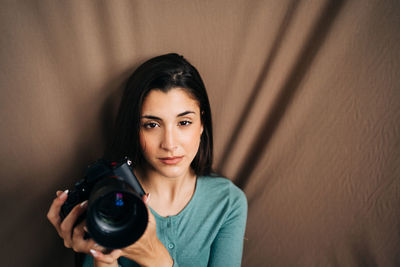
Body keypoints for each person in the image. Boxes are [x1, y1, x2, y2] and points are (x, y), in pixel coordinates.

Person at [47, 53, 247, 267]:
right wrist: (103, 256)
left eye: (184, 122)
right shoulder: (111, 195)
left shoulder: (227, 202)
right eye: (152, 125)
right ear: (135, 129)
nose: (169, 144)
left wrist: (155, 257)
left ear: (201, 124)